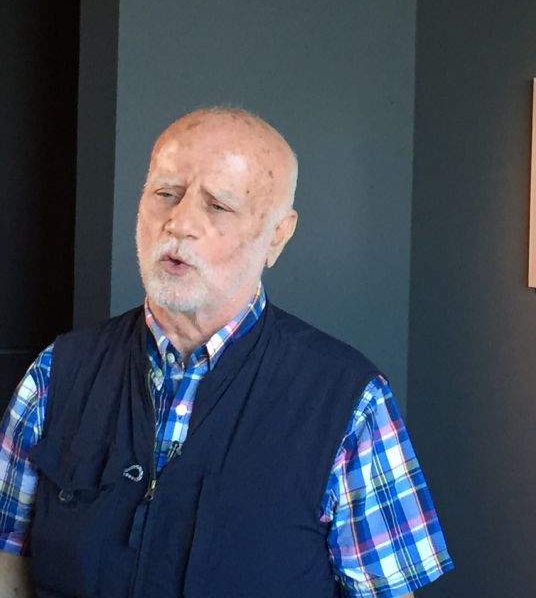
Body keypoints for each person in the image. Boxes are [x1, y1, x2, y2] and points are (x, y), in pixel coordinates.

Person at [0, 108, 453, 597]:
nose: (179, 222)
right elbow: (8, 564)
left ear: (277, 236)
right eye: (165, 194)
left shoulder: (349, 401)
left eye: (217, 205)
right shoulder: (58, 372)